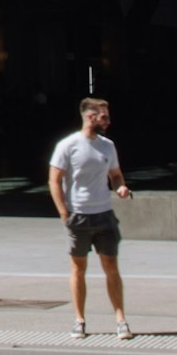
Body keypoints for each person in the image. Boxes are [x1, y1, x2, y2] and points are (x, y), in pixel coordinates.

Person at [49, 95, 132, 341]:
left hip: (104, 214)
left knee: (111, 268)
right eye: (104, 116)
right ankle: (79, 319)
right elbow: (54, 179)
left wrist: (120, 187)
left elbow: (116, 175)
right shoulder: (68, 145)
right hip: (79, 216)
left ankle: (120, 319)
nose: (108, 121)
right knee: (78, 268)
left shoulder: (108, 146)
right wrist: (64, 212)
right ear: (90, 116)